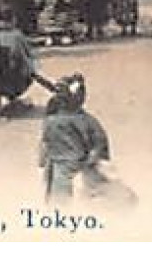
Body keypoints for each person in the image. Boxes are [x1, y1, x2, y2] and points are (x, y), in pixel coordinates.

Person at [39, 74, 119, 202]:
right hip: (76, 167)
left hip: (67, 168)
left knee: (59, 201)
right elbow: (100, 144)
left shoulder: (52, 120)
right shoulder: (86, 121)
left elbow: (44, 146)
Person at [0, 14, 40, 109]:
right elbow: (27, 59)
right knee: (25, 68)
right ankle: (11, 97)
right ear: (13, 19)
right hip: (13, 84)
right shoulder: (17, 36)